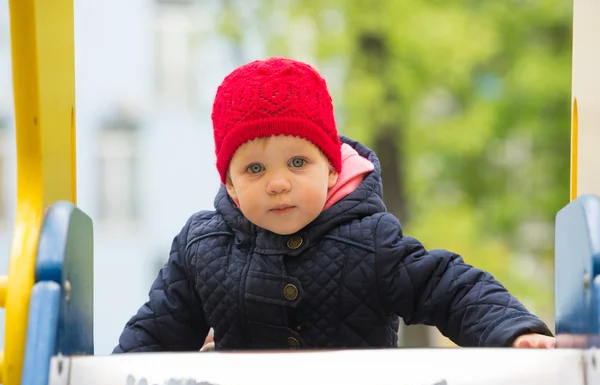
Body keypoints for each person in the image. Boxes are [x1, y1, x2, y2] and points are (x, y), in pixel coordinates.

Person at [113, 57, 555, 353]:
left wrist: (514, 331)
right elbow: (158, 328)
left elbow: (450, 287)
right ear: (229, 184)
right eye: (254, 170)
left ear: (331, 170)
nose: (278, 183)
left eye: (297, 162)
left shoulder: (370, 240)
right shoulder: (203, 248)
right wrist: (115, 378)